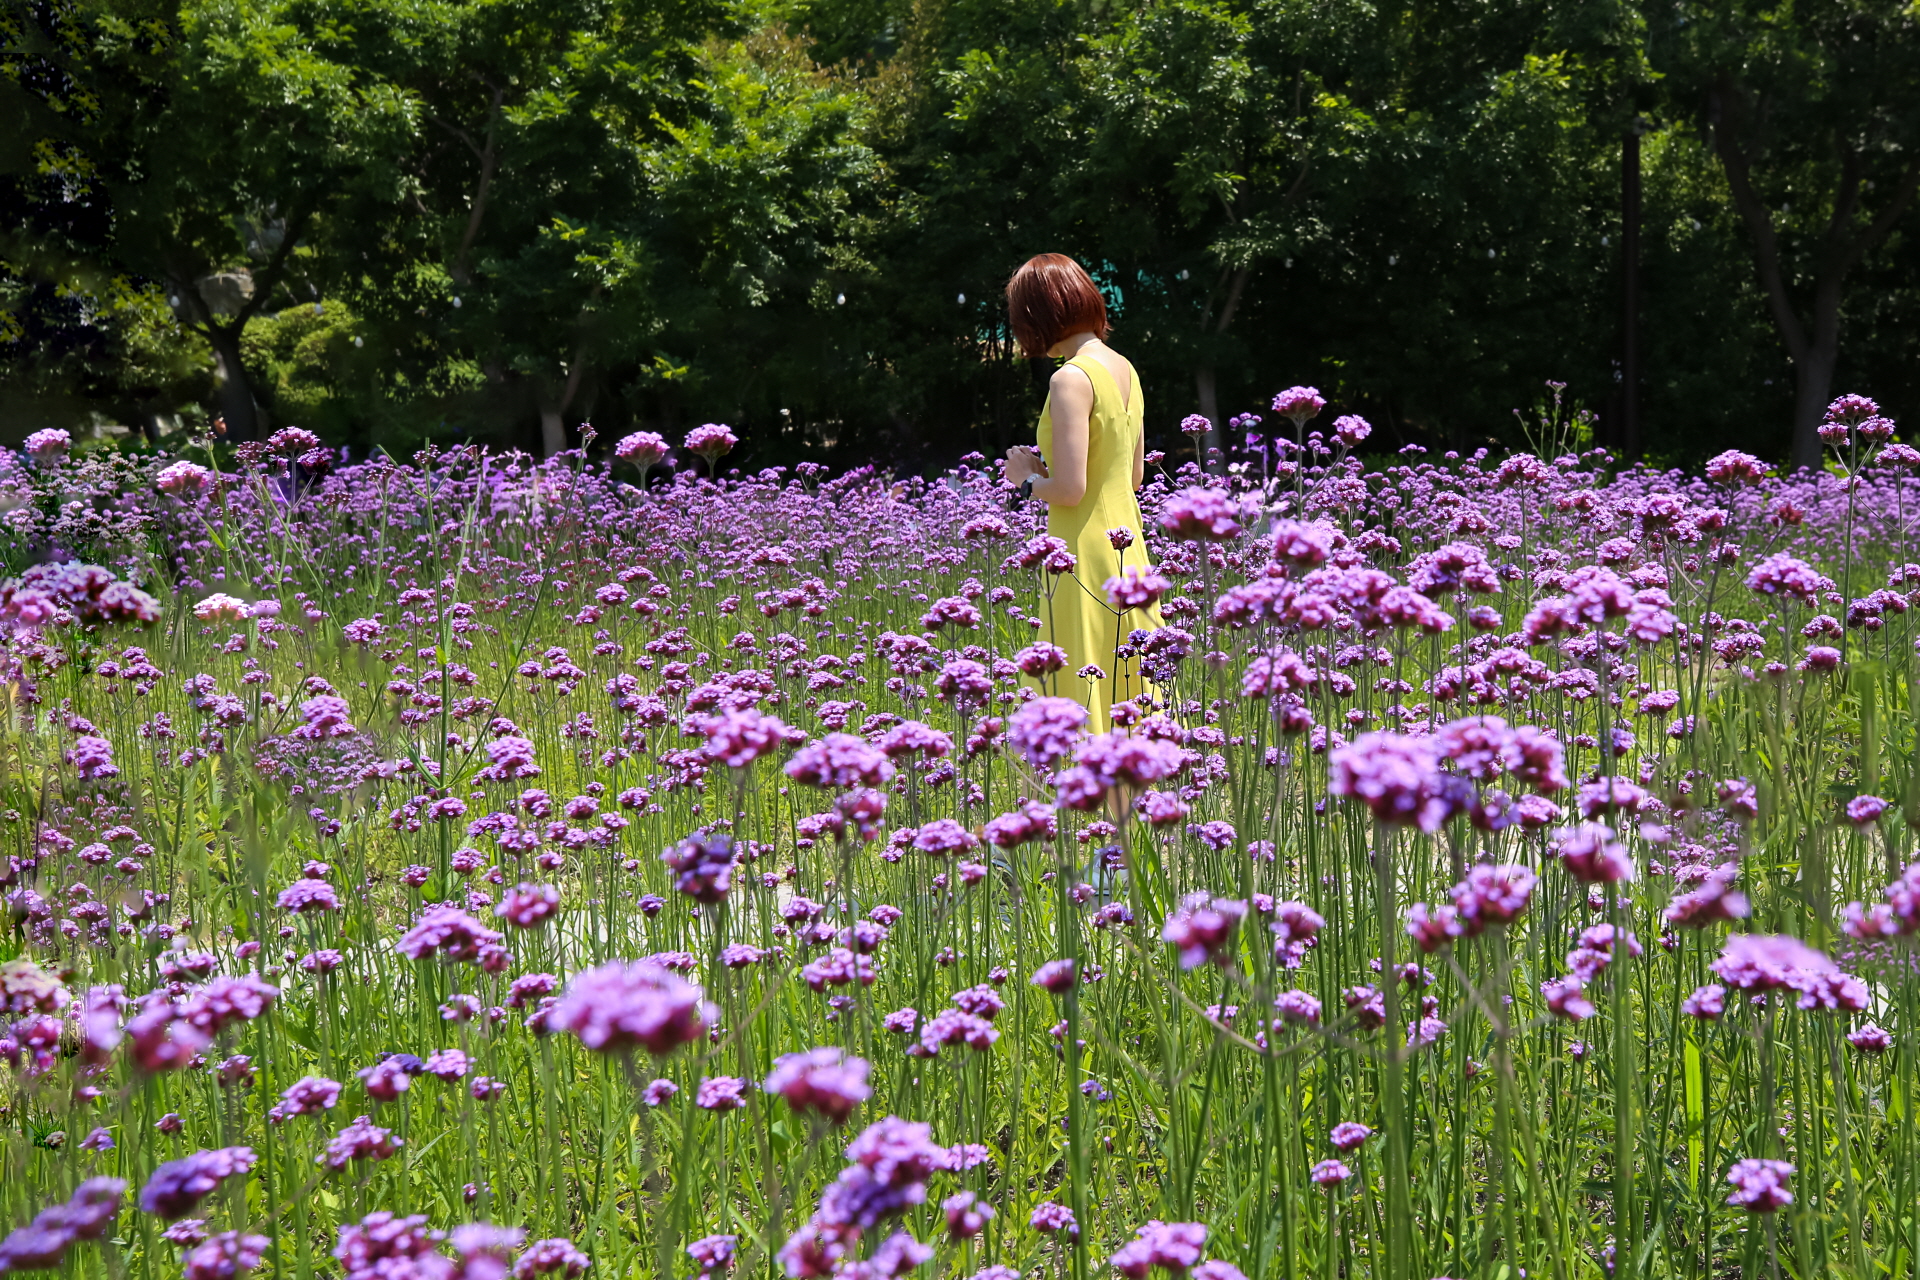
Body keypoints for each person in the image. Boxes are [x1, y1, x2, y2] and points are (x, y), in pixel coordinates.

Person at [1001, 253, 1163, 732]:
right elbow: (1133, 477)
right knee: (1130, 683)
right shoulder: (1125, 369)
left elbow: (1071, 490)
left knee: (1084, 676)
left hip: (1082, 551)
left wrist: (1025, 480)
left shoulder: (1070, 377)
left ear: (1039, 315)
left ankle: (1087, 779)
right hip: (1128, 545)